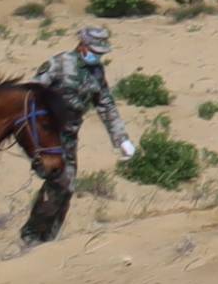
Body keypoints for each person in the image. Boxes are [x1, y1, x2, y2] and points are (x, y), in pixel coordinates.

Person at [18, 21, 141, 241]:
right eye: (94, 51)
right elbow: (31, 94)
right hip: (47, 138)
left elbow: (106, 104)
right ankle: (32, 233)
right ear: (83, 45)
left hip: (69, 139)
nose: (97, 56)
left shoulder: (96, 72)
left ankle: (48, 239)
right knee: (60, 182)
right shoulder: (59, 64)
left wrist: (122, 140)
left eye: (100, 53)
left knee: (67, 189)